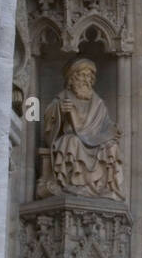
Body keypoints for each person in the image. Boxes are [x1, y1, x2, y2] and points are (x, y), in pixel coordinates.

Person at [37, 58, 123, 200]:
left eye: (89, 76)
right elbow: (49, 119)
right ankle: (73, 184)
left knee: (111, 146)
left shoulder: (97, 102)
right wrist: (60, 111)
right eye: (82, 75)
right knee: (72, 141)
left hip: (94, 140)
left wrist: (114, 130)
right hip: (72, 138)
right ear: (72, 78)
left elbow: (106, 123)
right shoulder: (63, 97)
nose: (86, 80)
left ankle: (101, 187)